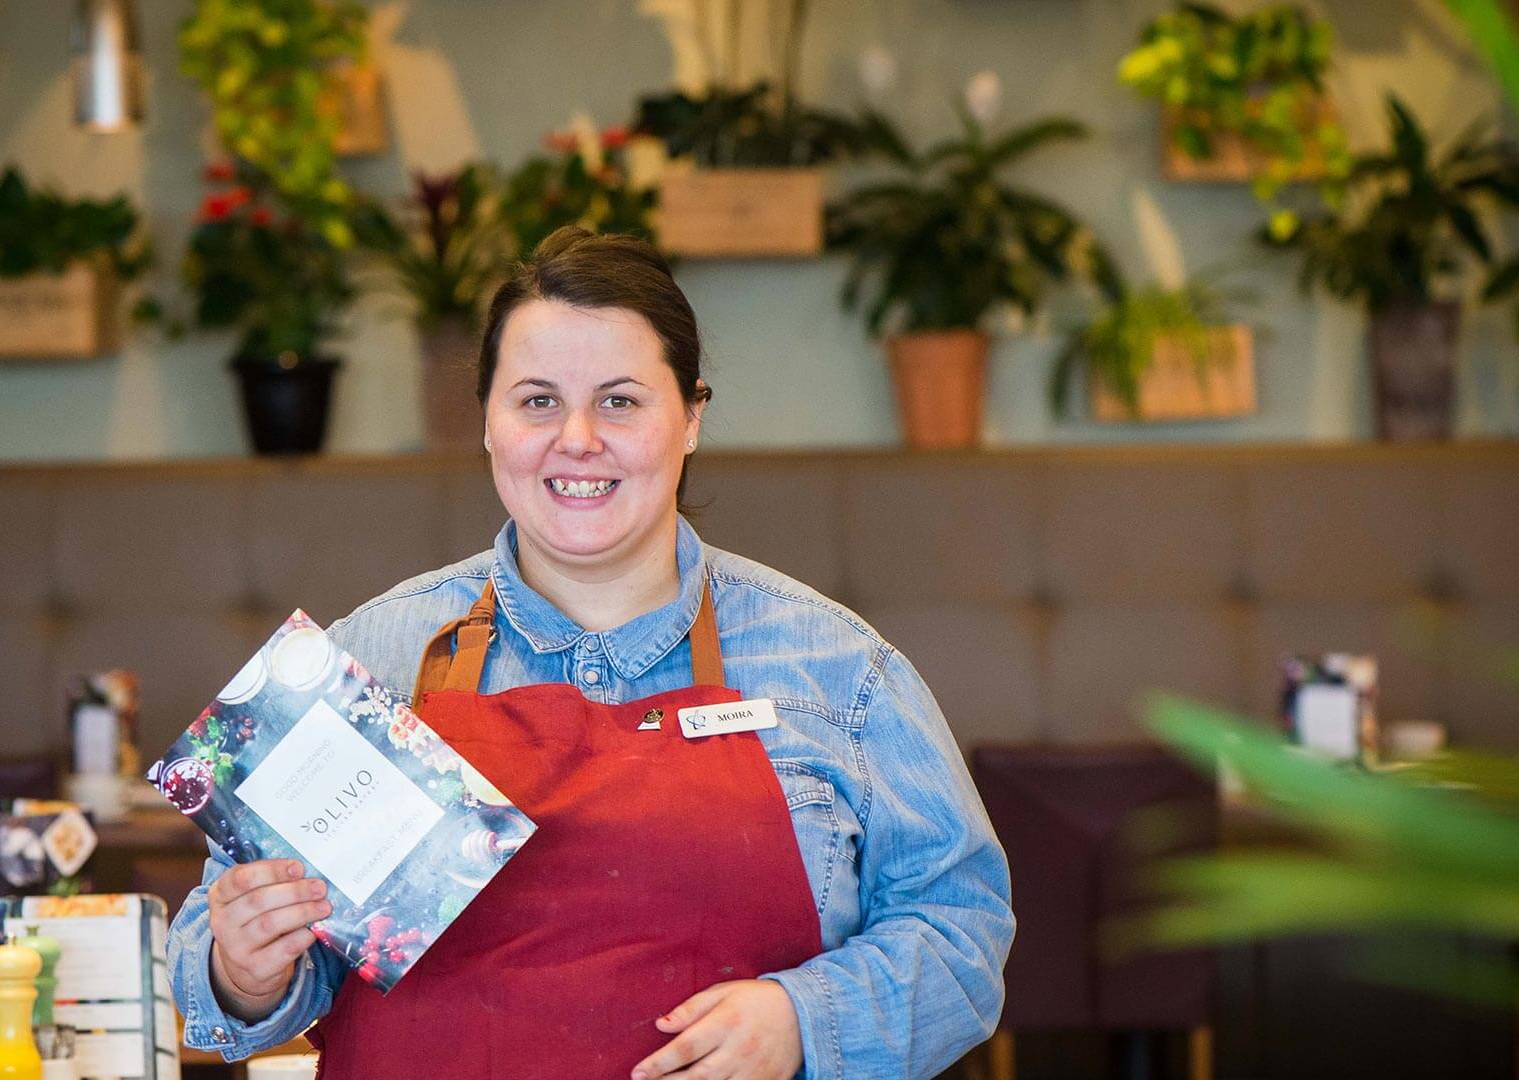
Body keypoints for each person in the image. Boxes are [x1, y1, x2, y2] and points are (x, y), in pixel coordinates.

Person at [166, 227, 1014, 1080]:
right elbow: (220, 959)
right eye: (536, 400)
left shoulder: (840, 670)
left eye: (620, 400)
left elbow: (960, 927)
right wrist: (241, 968)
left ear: (690, 419)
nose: (576, 437)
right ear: (489, 425)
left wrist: (807, 1020)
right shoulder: (367, 661)